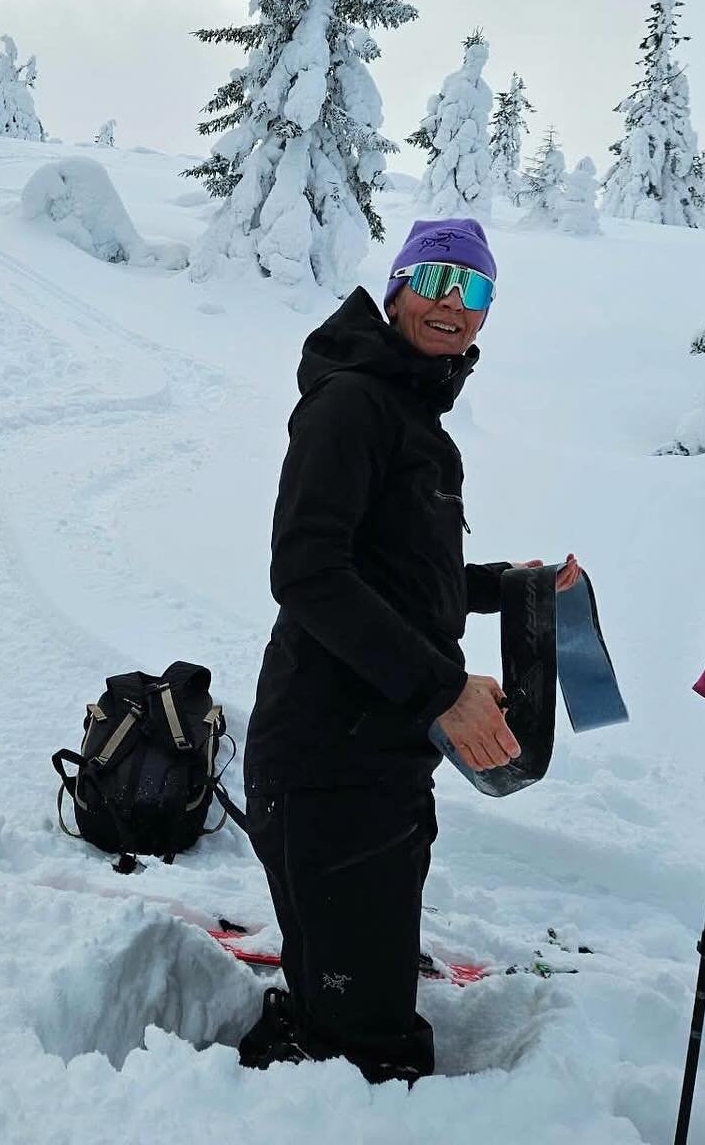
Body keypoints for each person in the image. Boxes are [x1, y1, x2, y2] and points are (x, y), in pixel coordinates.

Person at [238, 217, 581, 1085]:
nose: (453, 305)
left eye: (475, 291)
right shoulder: (354, 402)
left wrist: (509, 583)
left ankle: (320, 1017)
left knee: (362, 995)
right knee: (372, 1053)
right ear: (396, 289)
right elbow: (308, 571)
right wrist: (441, 688)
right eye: (437, 280)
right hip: (327, 763)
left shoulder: (412, 418)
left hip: (381, 762)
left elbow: (399, 574)